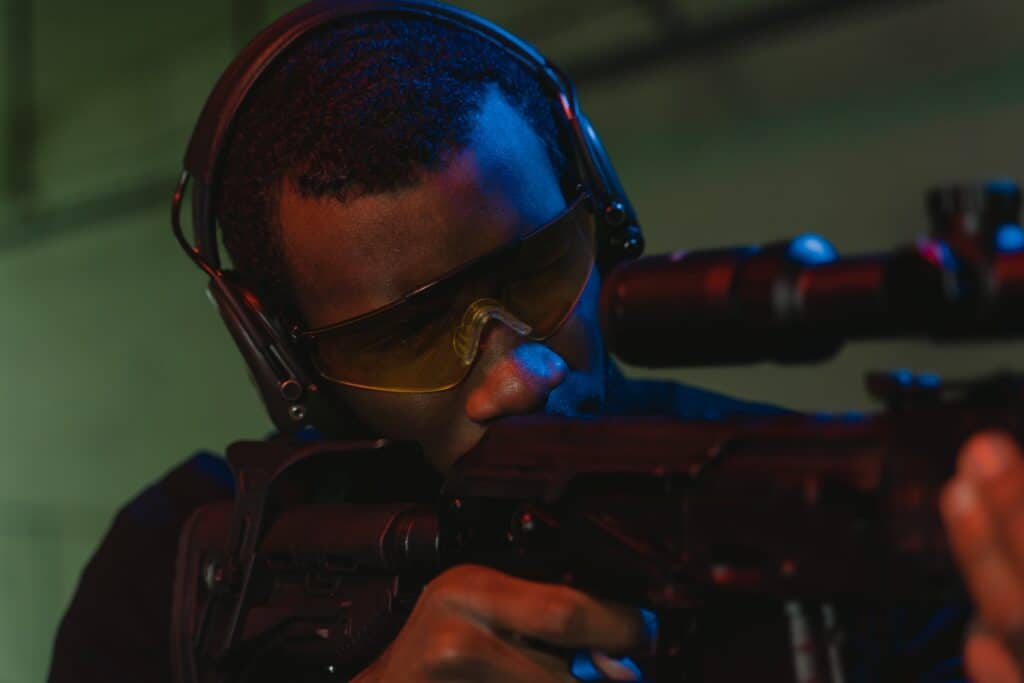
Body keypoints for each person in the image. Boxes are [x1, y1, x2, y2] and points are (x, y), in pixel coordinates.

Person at [44, 3, 1019, 682]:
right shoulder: (179, 570)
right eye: (410, 335)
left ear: (603, 216)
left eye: (538, 271)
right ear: (284, 359)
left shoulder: (820, 514)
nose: (517, 374)